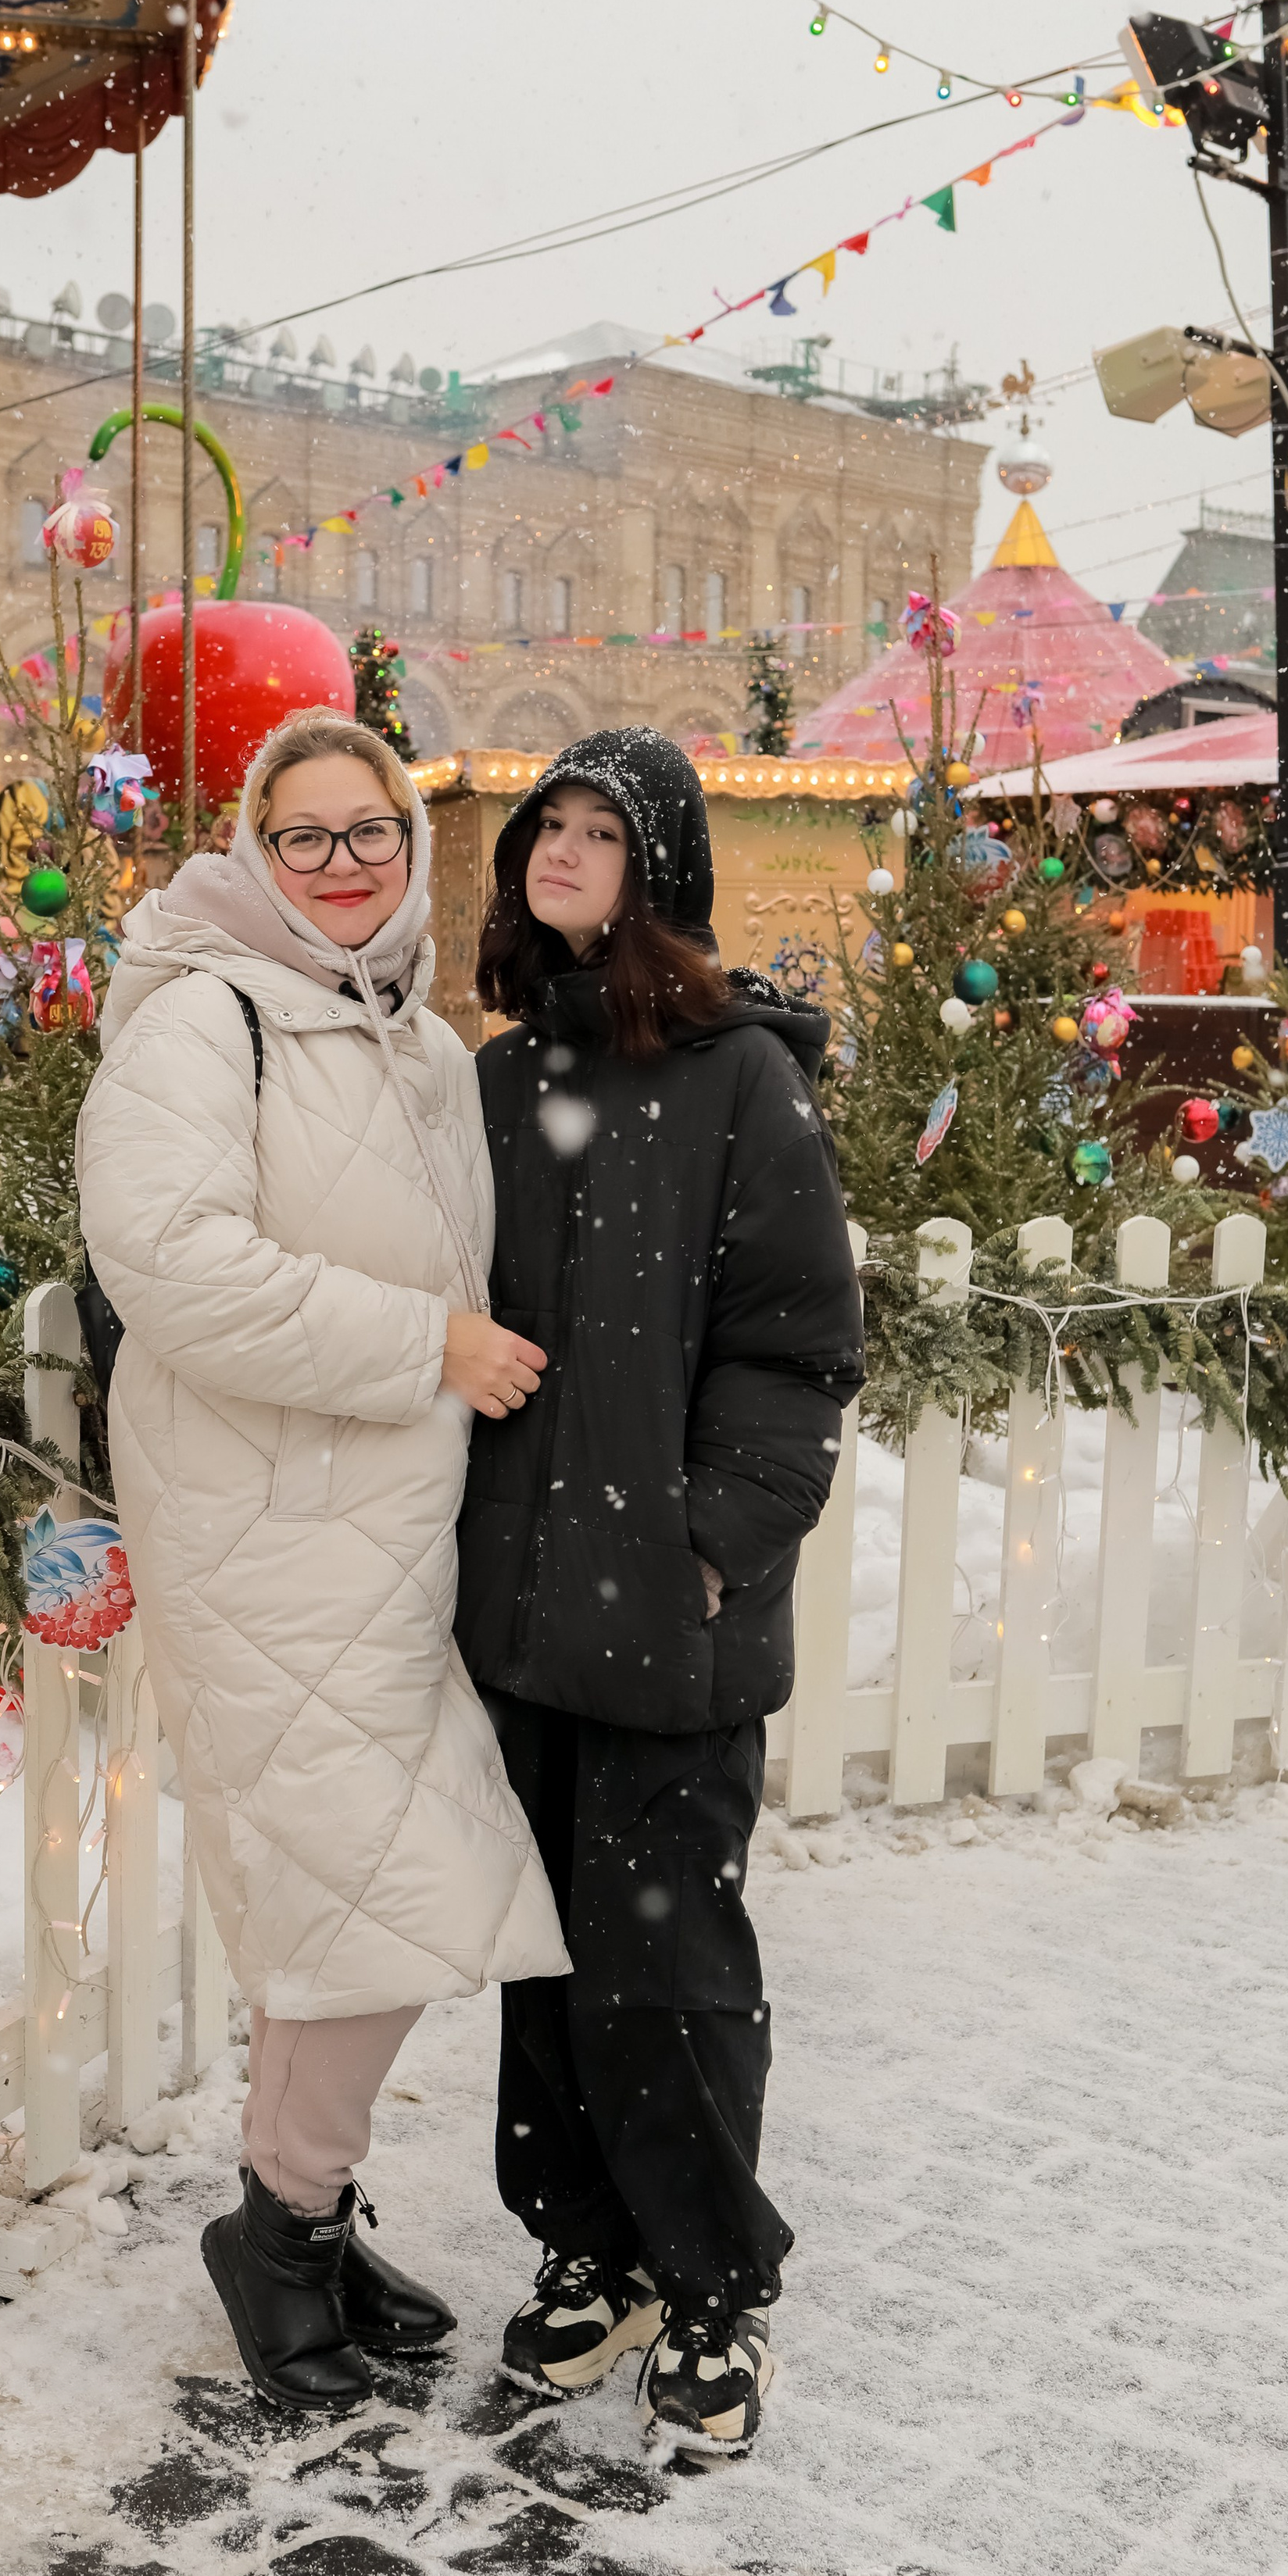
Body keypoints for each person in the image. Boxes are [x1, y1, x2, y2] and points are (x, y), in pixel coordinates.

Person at [77, 711, 567, 2419]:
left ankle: (295, 2215)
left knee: (357, 1896)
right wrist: (422, 1343)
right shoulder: (204, 1015)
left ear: (411, 848)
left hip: (388, 1515)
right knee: (378, 1888)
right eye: (307, 836)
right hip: (259, 1510)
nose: (344, 863)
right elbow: (170, 1260)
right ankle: (281, 2232)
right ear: (254, 848)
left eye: (373, 832)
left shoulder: (415, 1037)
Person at [456, 727, 864, 2455]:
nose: (555, 849)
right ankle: (589, 2248)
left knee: (668, 1964)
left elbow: (796, 1345)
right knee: (541, 1958)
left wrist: (707, 1544)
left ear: (662, 868)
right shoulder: (495, 1080)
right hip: (517, 1610)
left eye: (597, 830)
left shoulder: (737, 1080)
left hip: (671, 1617)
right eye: (541, 825)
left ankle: (713, 2283)